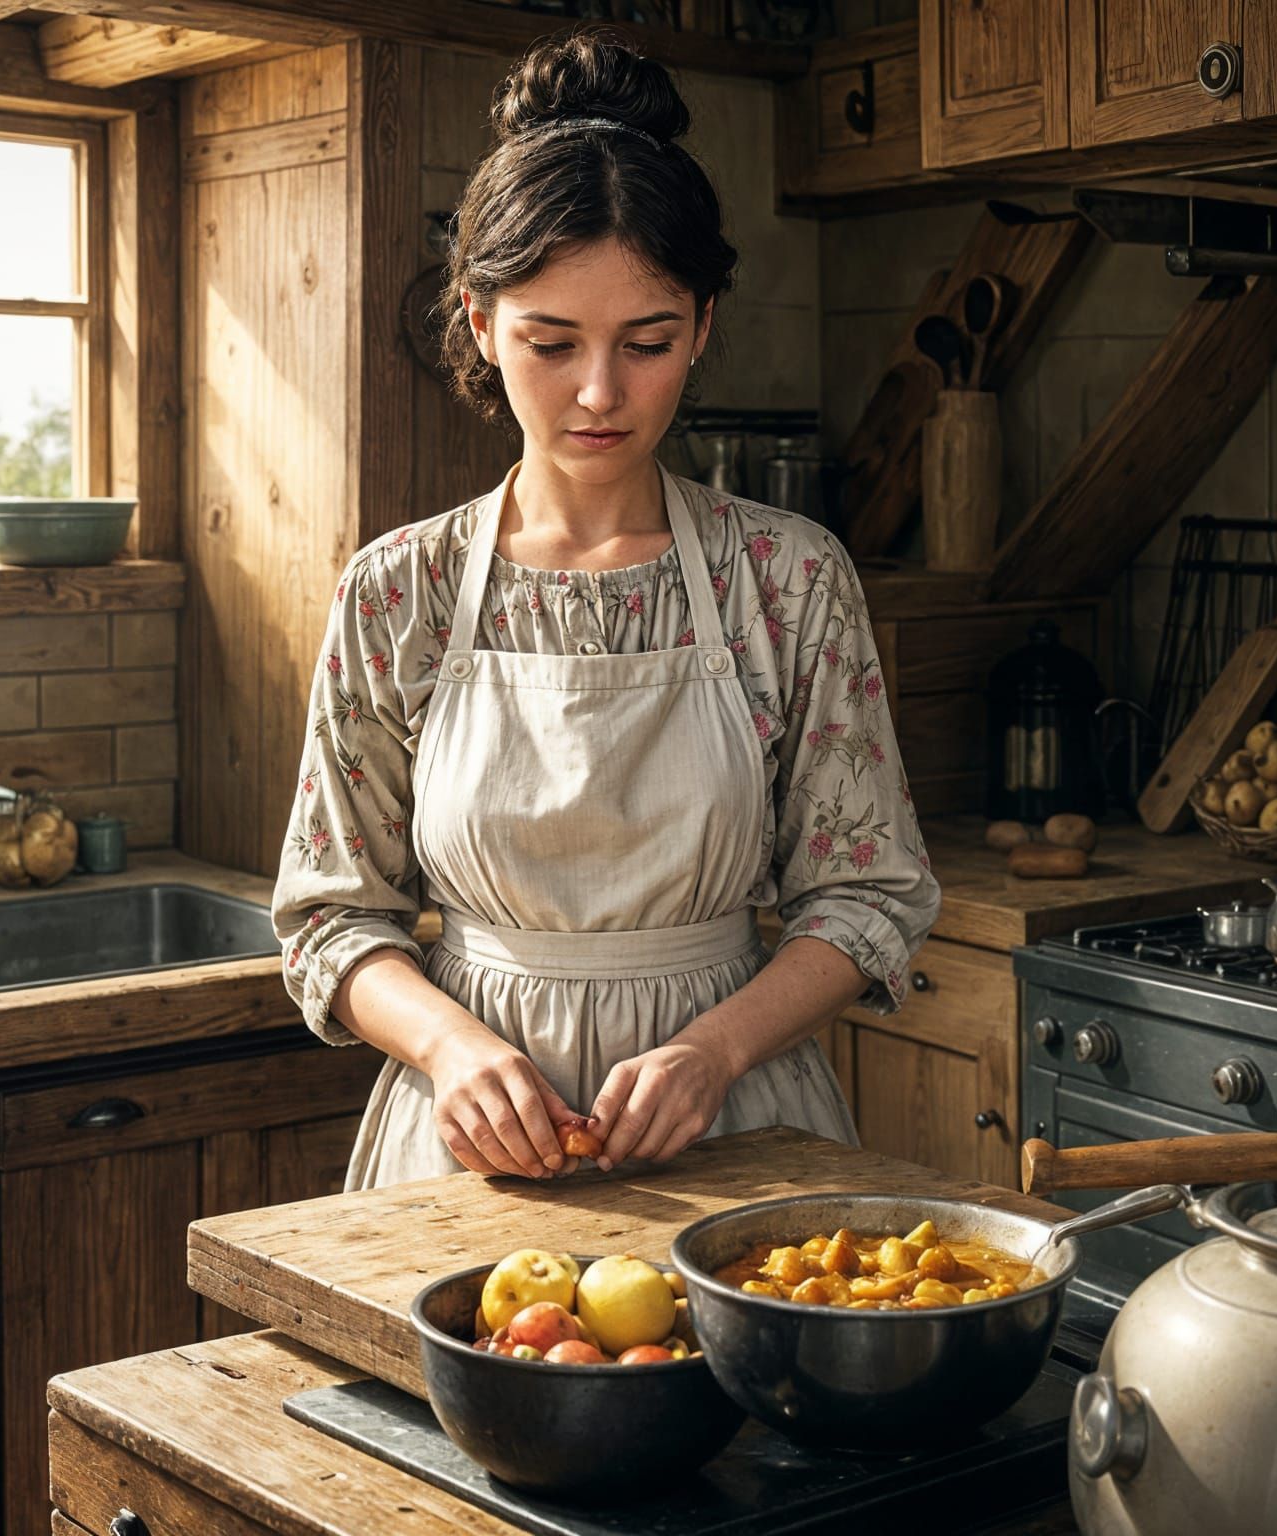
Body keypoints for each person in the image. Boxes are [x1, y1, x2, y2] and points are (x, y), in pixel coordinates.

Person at [272, 30, 940, 1191]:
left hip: (741, 1129)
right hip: (463, 1148)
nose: (599, 392)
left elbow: (869, 894)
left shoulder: (787, 579)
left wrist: (713, 1048)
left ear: (704, 329)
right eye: (551, 342)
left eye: (648, 343)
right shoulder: (401, 592)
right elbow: (331, 917)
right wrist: (453, 1047)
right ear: (479, 324)